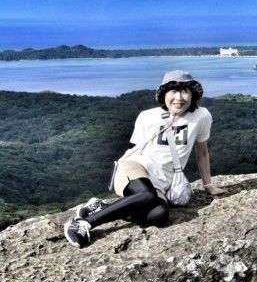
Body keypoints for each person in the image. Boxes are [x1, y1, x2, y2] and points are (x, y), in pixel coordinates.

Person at [63, 70, 227, 248]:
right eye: (173, 91)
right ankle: (85, 223)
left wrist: (208, 186)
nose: (179, 97)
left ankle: (102, 207)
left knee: (160, 214)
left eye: (185, 91)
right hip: (135, 167)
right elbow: (137, 149)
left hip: (162, 180)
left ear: (192, 94)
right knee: (146, 194)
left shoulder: (202, 116)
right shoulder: (147, 116)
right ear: (163, 94)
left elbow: (202, 152)